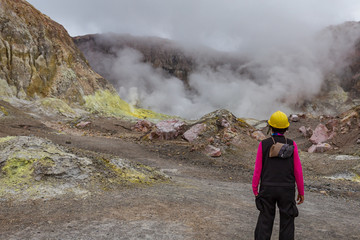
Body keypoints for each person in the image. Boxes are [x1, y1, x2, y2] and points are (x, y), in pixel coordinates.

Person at [252, 111, 304, 240]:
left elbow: (258, 168)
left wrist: (255, 188)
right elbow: (298, 170)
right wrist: (301, 191)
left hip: (267, 188)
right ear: (286, 128)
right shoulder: (292, 144)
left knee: (265, 219)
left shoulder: (263, 144)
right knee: (287, 221)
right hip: (287, 189)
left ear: (270, 127)